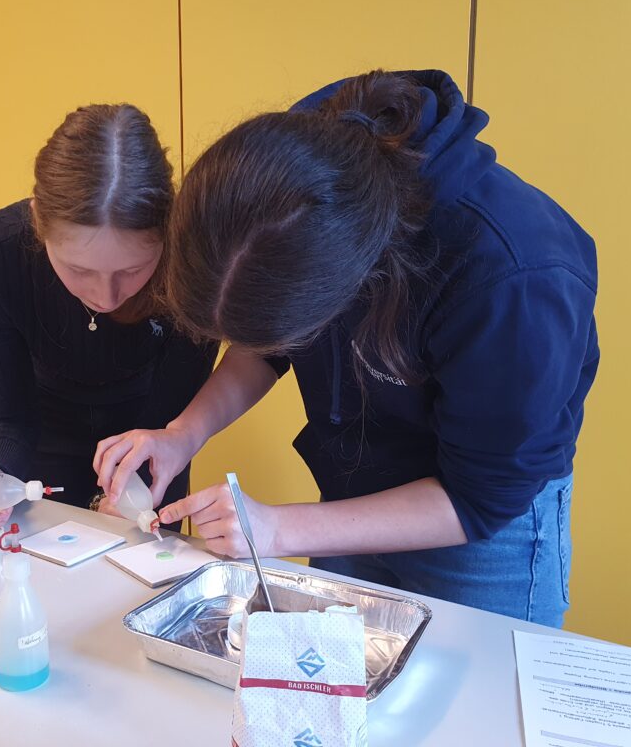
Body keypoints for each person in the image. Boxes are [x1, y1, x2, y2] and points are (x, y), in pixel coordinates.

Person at [94, 71, 598, 627]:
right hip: (353, 489)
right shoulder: (291, 188)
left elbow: (479, 498)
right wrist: (183, 434)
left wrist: (278, 529)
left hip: (476, 526)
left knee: (476, 681)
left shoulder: (513, 278)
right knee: (336, 670)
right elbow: (268, 346)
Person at [0, 104, 217, 542]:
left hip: (152, 434)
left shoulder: (194, 267)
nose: (106, 297)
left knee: (141, 564)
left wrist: (129, 491)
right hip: (42, 434)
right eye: (79, 270)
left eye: (132, 270)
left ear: (167, 235)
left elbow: (170, 419)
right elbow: (8, 415)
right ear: (38, 222)